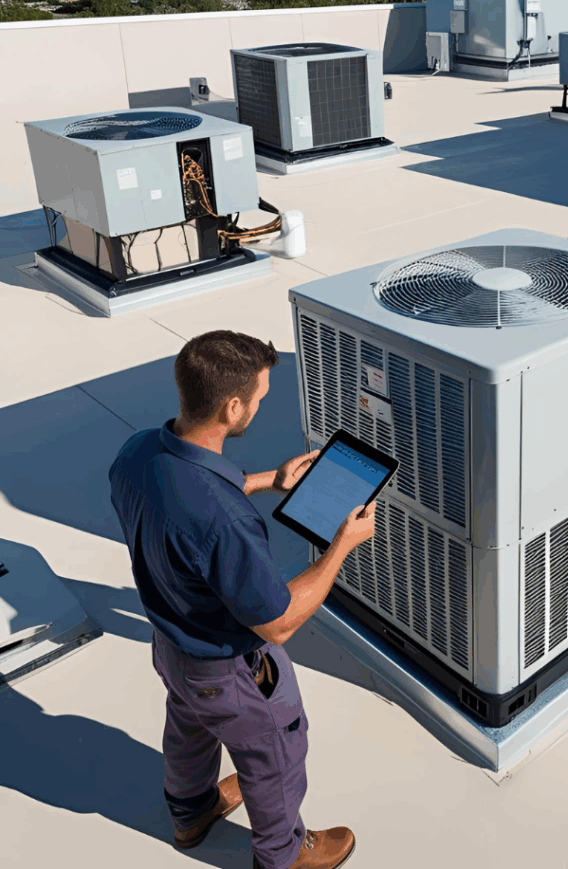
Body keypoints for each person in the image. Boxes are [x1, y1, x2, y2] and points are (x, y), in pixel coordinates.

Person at [108, 330, 375, 869]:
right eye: (259, 397)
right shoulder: (224, 521)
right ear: (232, 407)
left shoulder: (136, 451)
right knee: (275, 752)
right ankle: (282, 854)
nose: (260, 404)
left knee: (187, 728)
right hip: (225, 670)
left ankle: (191, 813)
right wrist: (341, 547)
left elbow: (183, 498)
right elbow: (278, 623)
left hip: (172, 648)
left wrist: (262, 480)